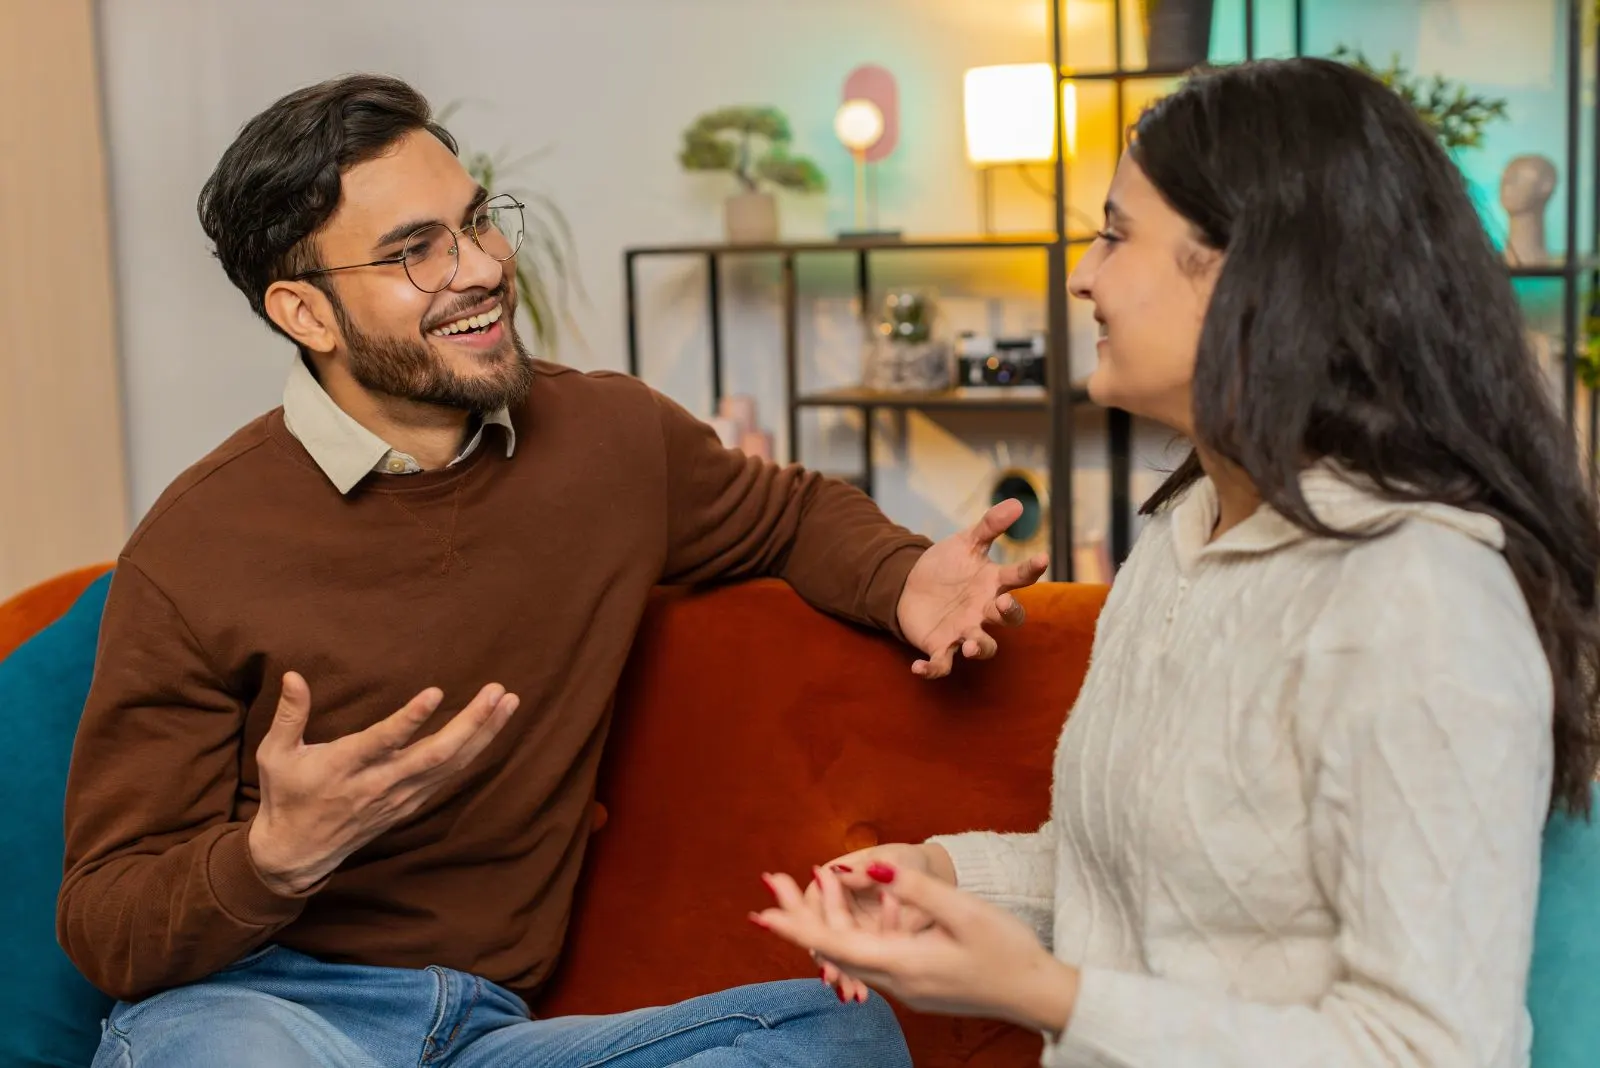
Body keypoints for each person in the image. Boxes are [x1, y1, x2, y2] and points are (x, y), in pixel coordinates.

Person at [57, 73, 1048, 1068]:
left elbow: (783, 515)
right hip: (257, 1014)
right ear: (305, 314)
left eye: (477, 223)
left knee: (835, 1037)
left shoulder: (609, 440)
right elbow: (107, 919)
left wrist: (904, 578)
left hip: (487, 1029)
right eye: (415, 251)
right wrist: (272, 858)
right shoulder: (197, 544)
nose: (481, 267)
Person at [753, 56, 1600, 1067]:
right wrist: (930, 878)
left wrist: (1052, 996)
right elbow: (1129, 885)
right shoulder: (1187, 535)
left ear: (1251, 273)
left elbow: (1428, 1048)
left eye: (1115, 233)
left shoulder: (1420, 596)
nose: (1081, 273)